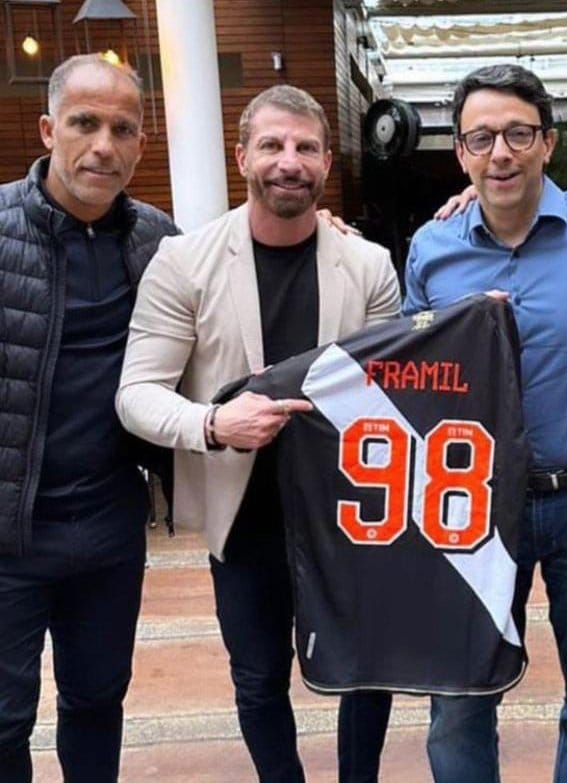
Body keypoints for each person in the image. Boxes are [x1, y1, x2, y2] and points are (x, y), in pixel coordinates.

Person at [339, 64, 567, 783]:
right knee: (458, 697)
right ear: (461, 153)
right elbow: (412, 374)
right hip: (469, 503)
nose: (500, 152)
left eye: (517, 134)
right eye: (481, 138)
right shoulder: (434, 247)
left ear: (547, 142)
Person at [115, 85, 400, 783]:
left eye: (306, 147)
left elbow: (393, 394)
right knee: (258, 677)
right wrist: (213, 423)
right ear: (241, 156)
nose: (289, 161)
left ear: (326, 162)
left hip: (351, 512)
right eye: (272, 145)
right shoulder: (184, 262)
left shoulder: (368, 266)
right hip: (244, 516)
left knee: (367, 671)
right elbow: (136, 394)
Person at [0, 55, 178, 782]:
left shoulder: (159, 242)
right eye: (84, 123)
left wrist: (323, 224)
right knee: (3, 719)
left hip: (108, 525)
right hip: (9, 532)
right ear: (49, 130)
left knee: (98, 701)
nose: (103, 145)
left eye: (122, 129)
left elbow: (243, 268)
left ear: (140, 144)